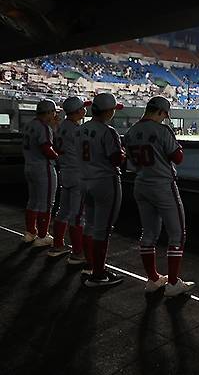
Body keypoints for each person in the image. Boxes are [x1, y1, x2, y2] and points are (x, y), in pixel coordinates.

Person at [124, 96, 195, 297]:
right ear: (161, 112)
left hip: (141, 183)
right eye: (164, 114)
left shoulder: (130, 132)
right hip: (163, 185)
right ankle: (172, 283)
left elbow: (131, 163)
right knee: (177, 234)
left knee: (148, 233)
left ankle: (153, 279)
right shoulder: (162, 130)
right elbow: (178, 158)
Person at [78, 93, 125, 287]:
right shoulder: (108, 131)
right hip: (105, 181)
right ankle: (98, 274)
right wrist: (123, 154)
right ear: (108, 111)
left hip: (84, 179)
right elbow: (116, 159)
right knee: (102, 230)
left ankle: (90, 265)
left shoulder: (80, 129)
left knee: (89, 224)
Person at [49, 96, 91, 261]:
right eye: (83, 107)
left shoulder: (62, 127)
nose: (85, 109)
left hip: (65, 172)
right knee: (78, 215)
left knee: (64, 211)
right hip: (77, 174)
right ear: (78, 111)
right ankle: (77, 252)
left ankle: (58, 245)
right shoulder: (77, 130)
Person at [22, 98, 60, 246]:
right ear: (49, 112)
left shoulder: (29, 124)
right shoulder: (43, 127)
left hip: (29, 166)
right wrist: (58, 158)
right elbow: (46, 148)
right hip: (43, 168)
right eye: (54, 112)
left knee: (33, 201)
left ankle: (30, 232)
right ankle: (43, 236)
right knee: (46, 203)